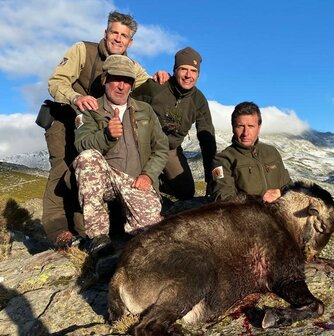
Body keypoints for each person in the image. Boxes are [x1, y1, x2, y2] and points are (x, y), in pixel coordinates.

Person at [42, 11, 169, 248]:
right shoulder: (83, 50)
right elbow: (56, 82)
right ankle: (58, 229)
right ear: (106, 33)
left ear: (130, 42)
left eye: (124, 36)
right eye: (115, 33)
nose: (118, 39)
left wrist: (163, 79)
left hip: (102, 122)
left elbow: (148, 87)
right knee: (64, 169)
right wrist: (75, 97)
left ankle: (90, 225)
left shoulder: (130, 66)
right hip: (69, 114)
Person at [73, 54, 169, 259]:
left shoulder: (145, 110)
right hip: (106, 179)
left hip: (136, 182)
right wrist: (106, 136)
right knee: (87, 157)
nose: (121, 86)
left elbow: (161, 148)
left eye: (127, 81)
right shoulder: (90, 109)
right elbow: (81, 144)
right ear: (105, 80)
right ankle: (98, 237)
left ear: (132, 85)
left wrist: (149, 175)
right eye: (116, 79)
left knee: (152, 236)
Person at [132, 46, 216, 200]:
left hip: (170, 149)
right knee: (135, 180)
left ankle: (155, 183)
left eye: (193, 71)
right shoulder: (156, 87)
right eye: (183, 69)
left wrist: (211, 180)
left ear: (198, 75)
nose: (188, 75)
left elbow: (207, 140)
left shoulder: (199, 101)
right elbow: (127, 104)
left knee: (186, 191)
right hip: (143, 144)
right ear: (175, 70)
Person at [211, 101, 291, 203]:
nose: (245, 133)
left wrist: (280, 193)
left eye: (251, 126)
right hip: (247, 218)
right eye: (240, 126)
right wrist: (261, 199)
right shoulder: (222, 160)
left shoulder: (272, 152)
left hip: (279, 214)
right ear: (233, 128)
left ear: (259, 127)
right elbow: (224, 199)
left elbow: (288, 186)